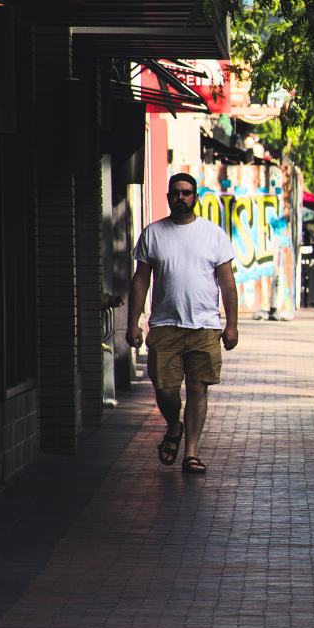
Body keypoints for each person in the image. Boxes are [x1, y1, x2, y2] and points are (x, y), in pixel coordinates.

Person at [126, 173, 239, 474]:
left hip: (205, 326)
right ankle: (174, 426)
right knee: (166, 391)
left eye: (187, 193)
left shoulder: (213, 234)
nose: (181, 197)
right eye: (175, 192)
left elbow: (227, 282)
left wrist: (231, 324)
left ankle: (191, 453)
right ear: (168, 197)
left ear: (195, 197)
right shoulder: (153, 234)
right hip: (165, 326)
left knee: (198, 389)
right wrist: (133, 322)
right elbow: (140, 280)